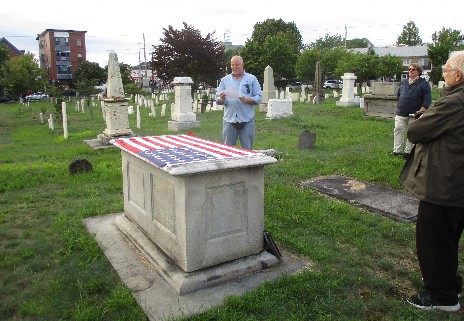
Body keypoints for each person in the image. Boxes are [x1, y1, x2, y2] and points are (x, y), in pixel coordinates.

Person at [400, 50, 464, 311]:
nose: (444, 73)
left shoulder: (455, 102)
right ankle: (449, 282)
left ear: (458, 75)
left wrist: (423, 118)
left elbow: (416, 131)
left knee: (433, 240)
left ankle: (441, 295)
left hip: (444, 184)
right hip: (456, 183)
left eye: (447, 69)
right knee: (448, 239)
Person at [216, 55, 262, 150]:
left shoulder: (251, 79)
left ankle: (249, 165)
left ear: (242, 65)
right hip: (229, 120)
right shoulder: (225, 80)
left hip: (247, 120)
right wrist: (222, 98)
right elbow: (218, 100)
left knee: (248, 150)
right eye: (232, 65)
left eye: (237, 65)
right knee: (227, 151)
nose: (234, 67)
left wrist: (246, 100)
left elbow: (259, 97)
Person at [393, 63, 432, 159]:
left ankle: (408, 152)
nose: (410, 70)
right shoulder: (403, 83)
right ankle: (397, 151)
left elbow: (427, 99)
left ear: (418, 72)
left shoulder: (423, 84)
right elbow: (399, 95)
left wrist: (422, 110)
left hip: (414, 113)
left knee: (411, 132)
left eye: (413, 69)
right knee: (398, 130)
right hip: (401, 112)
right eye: (409, 69)